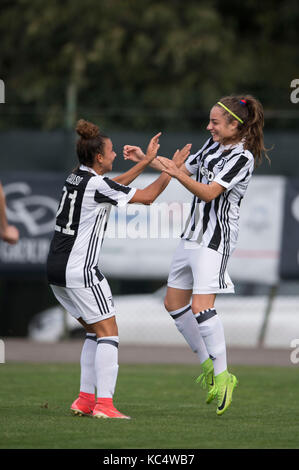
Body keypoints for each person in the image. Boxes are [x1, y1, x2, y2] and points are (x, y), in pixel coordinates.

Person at [124, 95, 269, 416]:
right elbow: (180, 169)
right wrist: (146, 158)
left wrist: (175, 172)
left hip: (214, 241)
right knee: (173, 303)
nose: (209, 127)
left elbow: (208, 192)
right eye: (210, 121)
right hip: (191, 235)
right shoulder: (212, 145)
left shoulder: (242, 157)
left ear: (236, 125)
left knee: (202, 308)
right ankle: (208, 364)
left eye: (215, 122)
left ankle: (224, 376)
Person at [46, 119, 191, 420]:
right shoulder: (97, 185)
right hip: (80, 269)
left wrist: (148, 161)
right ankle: (105, 405)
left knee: (93, 332)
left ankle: (85, 400)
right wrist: (171, 171)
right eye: (110, 152)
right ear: (99, 157)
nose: (114, 155)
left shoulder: (76, 177)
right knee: (109, 334)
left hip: (56, 270)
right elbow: (148, 197)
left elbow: (114, 185)